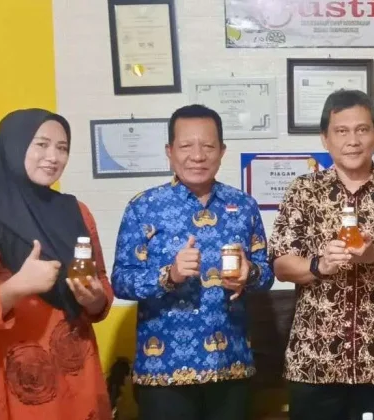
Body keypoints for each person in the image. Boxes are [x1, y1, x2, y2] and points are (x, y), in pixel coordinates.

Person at [268, 89, 374, 420]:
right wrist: (320, 265)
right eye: (341, 131)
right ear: (325, 139)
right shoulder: (303, 191)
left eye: (362, 129)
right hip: (315, 360)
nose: (353, 141)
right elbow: (281, 264)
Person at [111, 104, 273, 420]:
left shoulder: (243, 206)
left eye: (208, 146)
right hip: (163, 370)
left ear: (222, 151)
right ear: (169, 151)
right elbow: (120, 281)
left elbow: (266, 273)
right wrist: (168, 275)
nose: (197, 156)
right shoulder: (144, 207)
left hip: (230, 364)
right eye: (186, 146)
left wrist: (250, 273)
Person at [0, 109, 114, 419]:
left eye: (62, 148)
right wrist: (14, 289)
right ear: (13, 145)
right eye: (42, 144)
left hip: (77, 375)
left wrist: (96, 299)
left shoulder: (77, 212)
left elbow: (100, 279)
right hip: (13, 382)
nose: (53, 157)